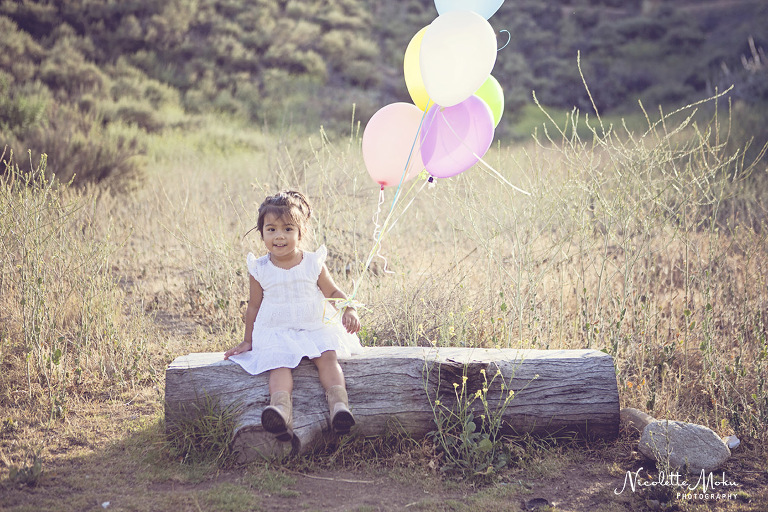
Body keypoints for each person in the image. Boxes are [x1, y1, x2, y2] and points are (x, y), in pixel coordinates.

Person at [224, 190, 363, 442]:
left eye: (288, 229)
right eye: (271, 229)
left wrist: (348, 308)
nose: (279, 236)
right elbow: (254, 307)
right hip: (277, 329)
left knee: (328, 357)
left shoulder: (312, 262)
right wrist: (248, 341)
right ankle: (280, 410)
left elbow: (332, 291)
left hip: (314, 325)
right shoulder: (259, 269)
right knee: (279, 363)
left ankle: (339, 406)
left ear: (301, 233)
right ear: (262, 232)